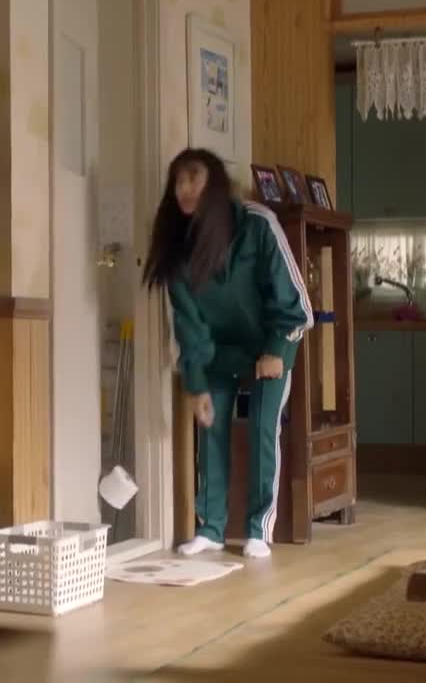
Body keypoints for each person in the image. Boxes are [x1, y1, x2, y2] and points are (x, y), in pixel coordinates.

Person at [142, 148, 313, 559]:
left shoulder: (257, 224)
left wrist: (276, 348)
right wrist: (196, 384)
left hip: (270, 343)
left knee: (262, 429)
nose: (184, 188)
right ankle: (211, 528)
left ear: (215, 185)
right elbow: (189, 324)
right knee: (210, 429)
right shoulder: (177, 245)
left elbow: (295, 302)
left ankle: (258, 529)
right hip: (218, 350)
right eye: (178, 180)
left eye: (193, 178)